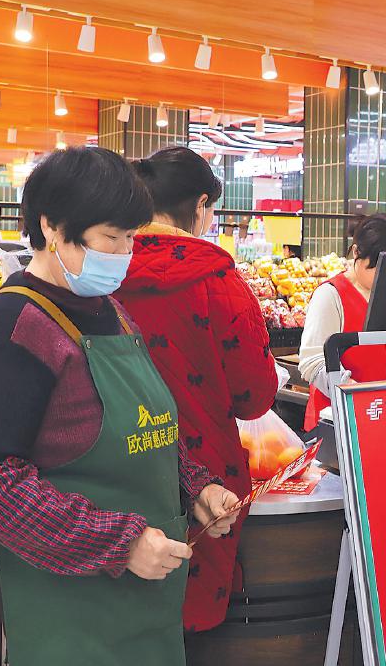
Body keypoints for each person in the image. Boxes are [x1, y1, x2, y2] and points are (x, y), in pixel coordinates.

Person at [0, 147, 239, 665]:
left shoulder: (113, 313)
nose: (125, 253)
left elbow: (145, 433)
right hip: (72, 617)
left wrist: (196, 487)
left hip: (149, 607)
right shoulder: (12, 324)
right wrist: (120, 544)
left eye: (130, 237)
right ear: (52, 226)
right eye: (111, 237)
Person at [116, 145, 279, 633]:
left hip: (114, 463)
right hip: (206, 475)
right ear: (202, 204)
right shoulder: (218, 277)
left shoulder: (101, 267)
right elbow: (255, 396)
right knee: (189, 614)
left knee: (120, 611)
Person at [298, 213, 386, 430]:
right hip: (341, 422)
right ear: (357, 252)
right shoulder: (330, 295)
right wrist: (354, 394)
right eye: (380, 264)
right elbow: (312, 362)